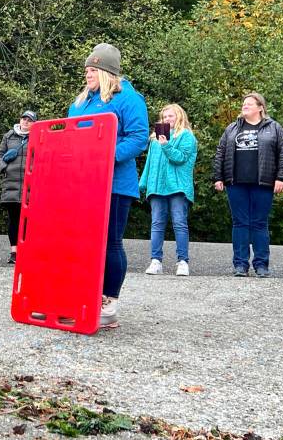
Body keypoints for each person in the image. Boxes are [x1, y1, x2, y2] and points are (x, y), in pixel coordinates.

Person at [67, 43, 148, 329]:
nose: (87, 74)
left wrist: (106, 156)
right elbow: (69, 136)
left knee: (110, 242)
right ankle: (80, 298)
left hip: (114, 183)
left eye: (92, 69)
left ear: (106, 71)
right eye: (86, 69)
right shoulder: (80, 102)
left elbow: (138, 137)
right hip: (81, 182)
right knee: (80, 242)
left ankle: (109, 303)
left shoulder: (128, 98)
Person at [212, 92, 283, 278]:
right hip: (235, 182)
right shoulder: (231, 128)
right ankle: (240, 265)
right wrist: (218, 177)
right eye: (244, 103)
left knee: (259, 223)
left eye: (249, 103)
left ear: (260, 107)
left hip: (263, 183)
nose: (245, 106)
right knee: (239, 223)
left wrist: (281, 177)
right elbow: (220, 154)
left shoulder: (274, 128)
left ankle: (261, 265)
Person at [139, 104, 198, 277]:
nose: (167, 120)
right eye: (164, 117)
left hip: (178, 187)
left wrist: (165, 145)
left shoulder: (186, 136)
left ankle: (183, 261)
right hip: (156, 186)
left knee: (179, 223)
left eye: (171, 116)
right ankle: (156, 261)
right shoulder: (155, 138)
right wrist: (143, 183)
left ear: (179, 117)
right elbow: (150, 162)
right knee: (156, 224)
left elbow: (180, 159)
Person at [0, 110, 37, 265]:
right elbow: (0, 154)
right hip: (11, 182)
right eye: (24, 118)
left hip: (30, 183)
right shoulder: (9, 136)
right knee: (14, 219)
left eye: (29, 120)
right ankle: (14, 251)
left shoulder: (39, 136)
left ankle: (26, 250)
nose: (26, 122)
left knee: (28, 220)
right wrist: (4, 167)